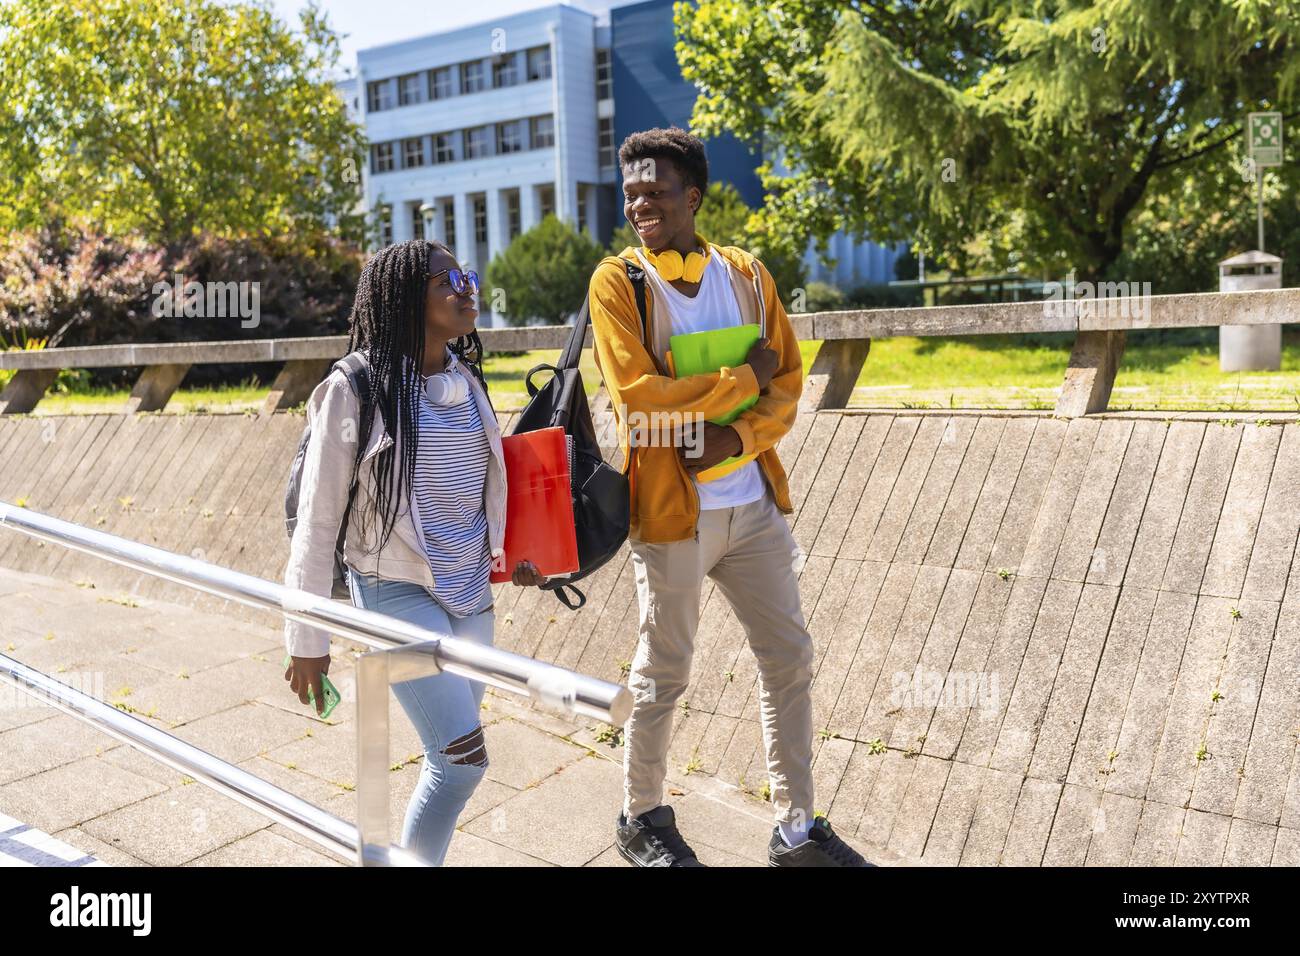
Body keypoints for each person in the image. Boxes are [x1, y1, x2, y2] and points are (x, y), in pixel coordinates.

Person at [587, 127, 871, 867]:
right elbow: (641, 399)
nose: (640, 203)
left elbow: (788, 383)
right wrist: (739, 381)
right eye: (632, 192)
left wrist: (734, 440)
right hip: (673, 517)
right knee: (664, 671)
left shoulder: (747, 274)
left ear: (693, 196)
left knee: (789, 657)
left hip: (754, 508)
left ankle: (796, 829)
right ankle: (641, 815)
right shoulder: (618, 282)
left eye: (655, 190)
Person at [282, 239, 545, 866]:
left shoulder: (465, 379)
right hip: (394, 586)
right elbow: (318, 523)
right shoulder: (357, 387)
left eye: (466, 275)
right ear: (404, 297)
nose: (464, 287)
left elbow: (481, 492)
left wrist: (512, 555)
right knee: (464, 760)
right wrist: (306, 639)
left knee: (448, 757)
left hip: (470, 593)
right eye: (443, 281)